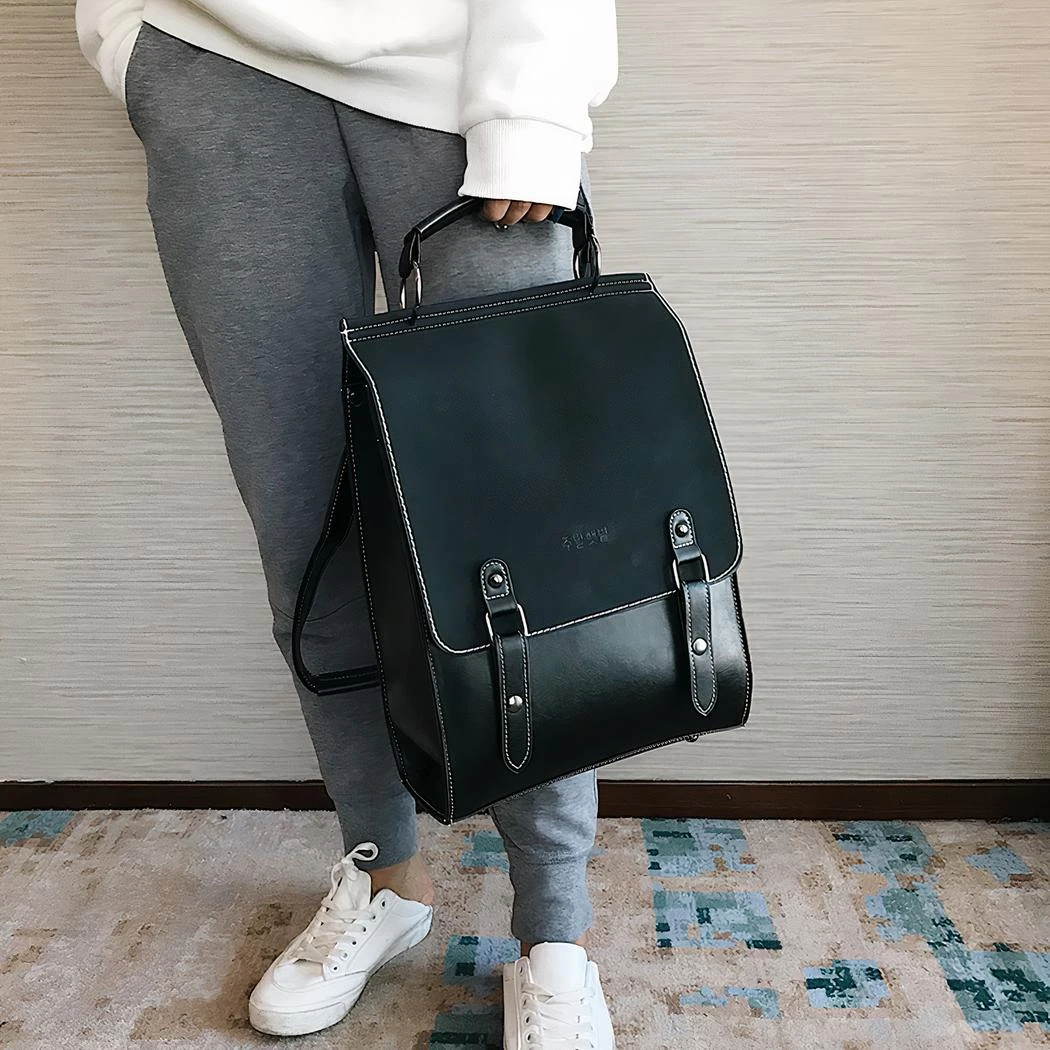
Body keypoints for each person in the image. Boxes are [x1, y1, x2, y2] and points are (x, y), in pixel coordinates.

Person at [75, 0, 619, 1046]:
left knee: (519, 536)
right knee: (304, 517)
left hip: (465, 72)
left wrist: (535, 111)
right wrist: (130, 40)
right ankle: (383, 874)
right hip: (216, 63)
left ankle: (556, 927)